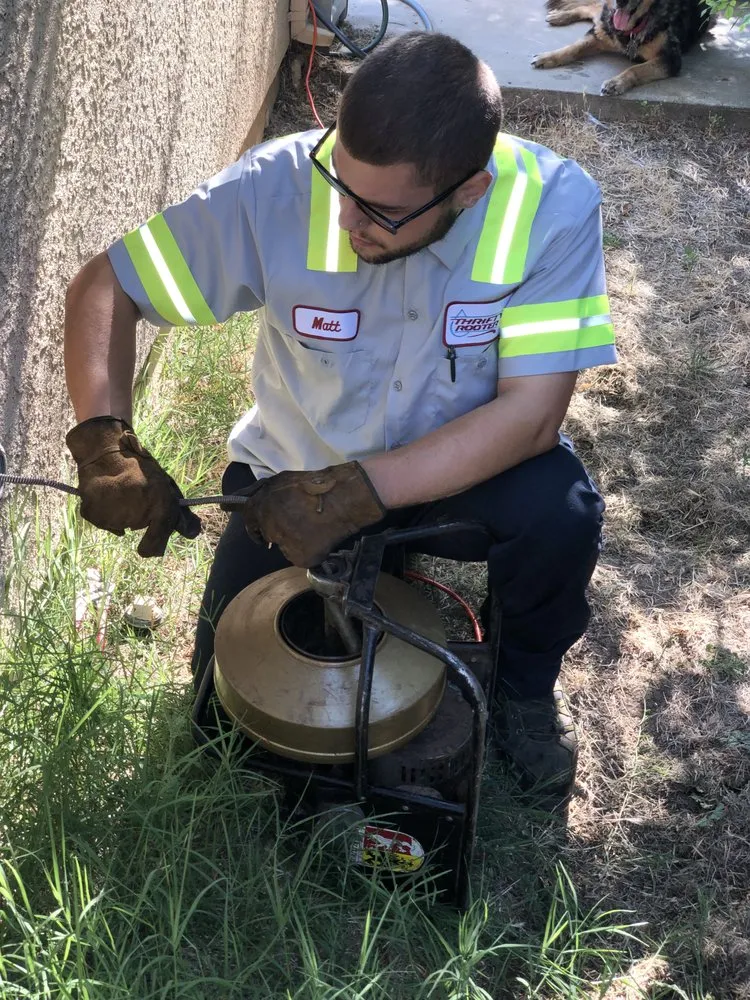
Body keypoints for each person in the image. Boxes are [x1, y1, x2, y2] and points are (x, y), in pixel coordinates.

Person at [63, 32, 617, 796]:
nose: (350, 222)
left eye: (380, 213)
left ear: (468, 190)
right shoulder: (278, 187)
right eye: (341, 186)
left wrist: (362, 493)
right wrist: (103, 445)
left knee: (562, 512)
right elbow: (104, 286)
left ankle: (521, 688)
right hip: (294, 485)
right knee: (217, 720)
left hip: (453, 480)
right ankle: (352, 574)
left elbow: (530, 418)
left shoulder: (549, 207)